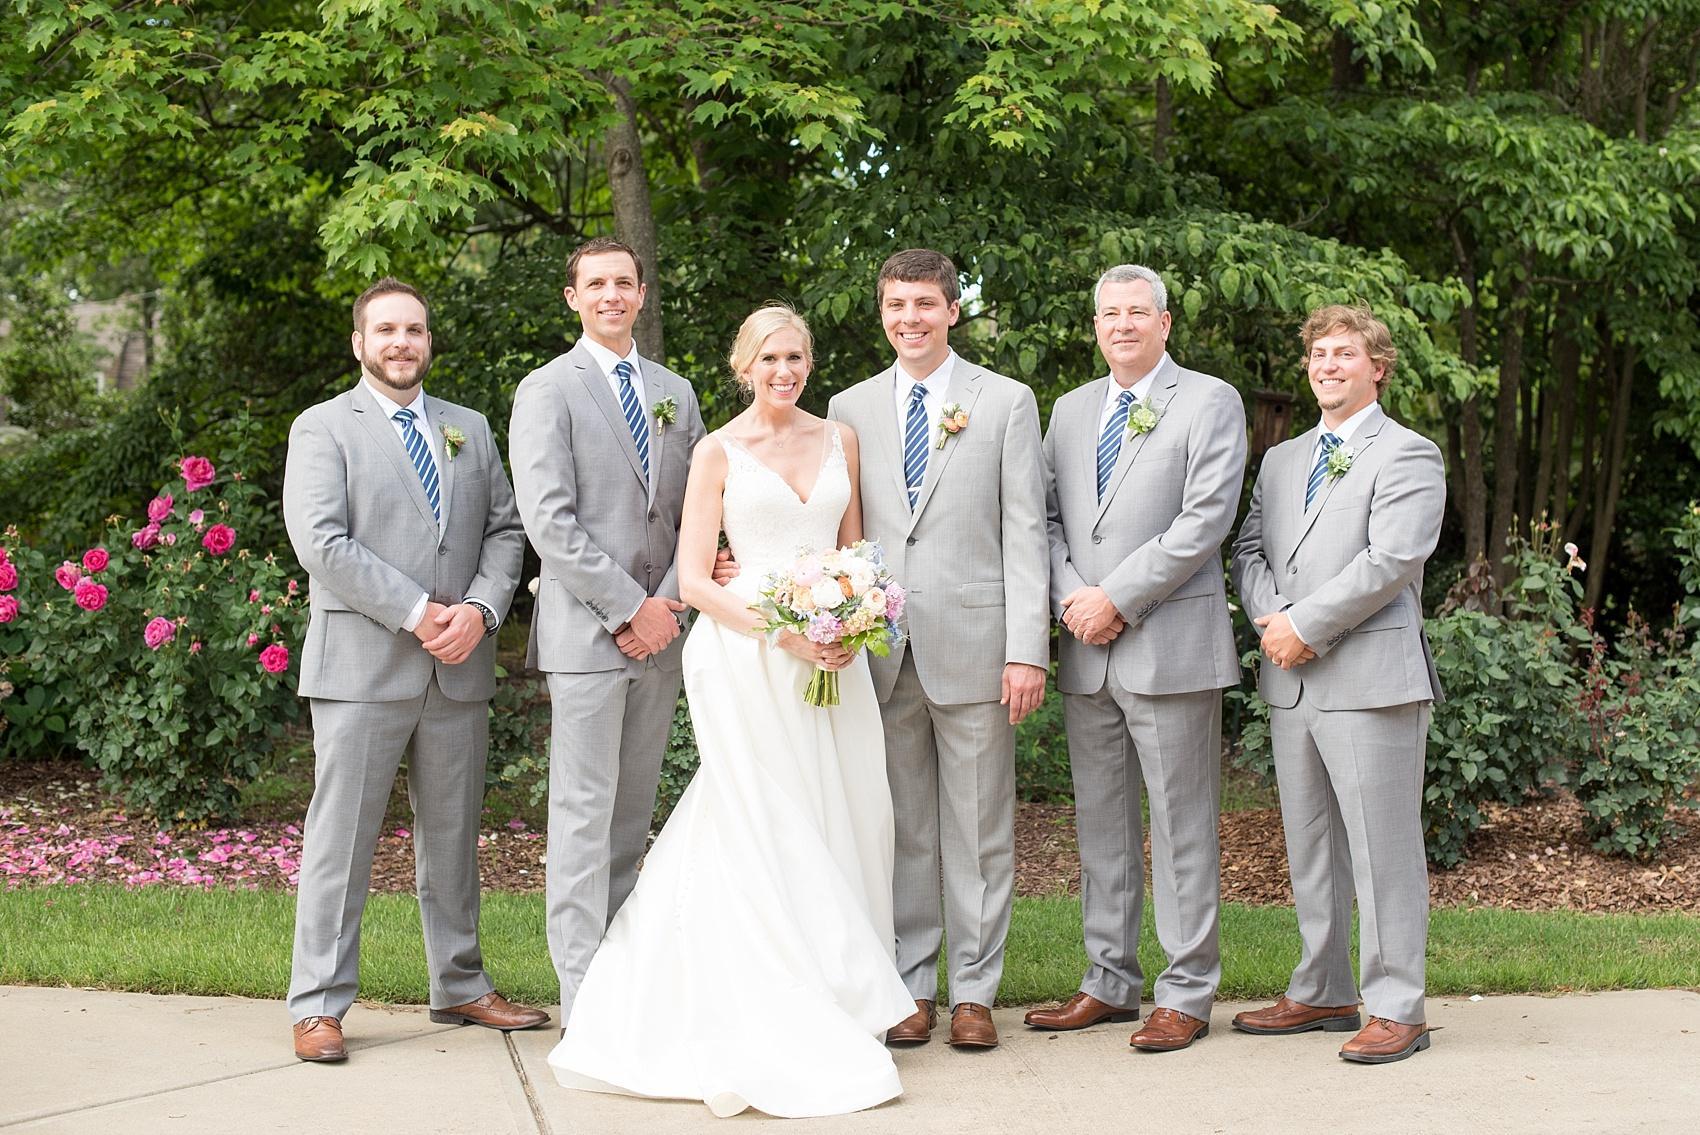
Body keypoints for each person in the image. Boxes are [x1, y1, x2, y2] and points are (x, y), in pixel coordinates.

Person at [548, 305, 914, 1118]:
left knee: (845, 809)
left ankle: (843, 988)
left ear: (809, 363)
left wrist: (850, 623)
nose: (784, 371)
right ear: (742, 366)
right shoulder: (716, 451)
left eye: (796, 357)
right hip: (747, 653)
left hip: (834, 654)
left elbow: (855, 553)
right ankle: (763, 989)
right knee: (761, 810)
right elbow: (696, 579)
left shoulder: (838, 441)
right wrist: (789, 633)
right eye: (768, 358)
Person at [282, 278, 546, 1063]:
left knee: (455, 836)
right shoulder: (322, 427)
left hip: (457, 669)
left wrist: (480, 611)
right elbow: (321, 541)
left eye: (415, 330)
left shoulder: (467, 427)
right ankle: (319, 1003)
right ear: (360, 342)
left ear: (430, 341)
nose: (403, 342)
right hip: (363, 666)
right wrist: (416, 611)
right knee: (343, 837)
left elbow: (506, 531)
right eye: (387, 330)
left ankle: (460, 983)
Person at [827, 249, 1049, 1050]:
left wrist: (1028, 648)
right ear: (881, 312)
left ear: (953, 310)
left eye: (925, 303)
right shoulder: (846, 405)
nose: (909, 318)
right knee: (904, 826)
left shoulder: (1006, 401)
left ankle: (976, 993)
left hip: (979, 643)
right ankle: (912, 985)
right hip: (881, 650)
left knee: (981, 824)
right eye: (896, 304)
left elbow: (1025, 531)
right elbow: (834, 525)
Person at [1026, 265, 1246, 1052]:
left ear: (1165, 322)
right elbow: (1043, 517)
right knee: (1102, 827)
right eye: (1109, 313)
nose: (1122, 324)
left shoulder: (1210, 400)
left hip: (1168, 646)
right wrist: (1070, 599)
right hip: (1088, 648)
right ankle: (1109, 980)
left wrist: (1115, 596)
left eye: (1136, 312)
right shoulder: (1071, 409)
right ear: (1096, 325)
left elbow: (1206, 519)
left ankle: (1186, 990)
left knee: (1183, 824)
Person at [1228, 303, 1445, 1065]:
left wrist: (1306, 623)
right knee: (1311, 846)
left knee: (1383, 849)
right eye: (1318, 353)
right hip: (1292, 677)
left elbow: (1391, 560)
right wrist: (1270, 617)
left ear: (1376, 366)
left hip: (1370, 680)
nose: (1327, 365)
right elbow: (1248, 548)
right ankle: (1321, 986)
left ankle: (1398, 1005)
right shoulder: (1284, 459)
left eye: (1344, 353)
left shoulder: (1409, 454)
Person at [509, 238, 708, 1027]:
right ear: (573, 298)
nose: (612, 295)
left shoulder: (674, 391)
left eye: (624, 283)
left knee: (631, 817)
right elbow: (548, 522)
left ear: (643, 292)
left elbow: (697, 510)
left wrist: (666, 608)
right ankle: (583, 996)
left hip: (662, 634)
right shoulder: (546, 390)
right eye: (597, 284)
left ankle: (626, 977)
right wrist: (630, 607)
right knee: (584, 816)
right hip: (589, 637)